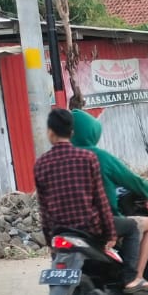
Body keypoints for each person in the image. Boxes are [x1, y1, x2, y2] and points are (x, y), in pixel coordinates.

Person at [32, 107, 124, 280]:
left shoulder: (40, 164)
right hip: (90, 229)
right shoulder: (88, 158)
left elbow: (43, 209)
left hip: (60, 231)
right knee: (133, 227)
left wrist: (49, 240)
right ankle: (131, 279)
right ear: (71, 133)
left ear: (50, 133)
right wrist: (111, 233)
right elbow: (100, 199)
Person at [69, 106, 148, 291]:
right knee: (140, 226)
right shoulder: (100, 157)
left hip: (65, 225)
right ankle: (134, 277)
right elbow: (132, 180)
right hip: (97, 223)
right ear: (91, 133)